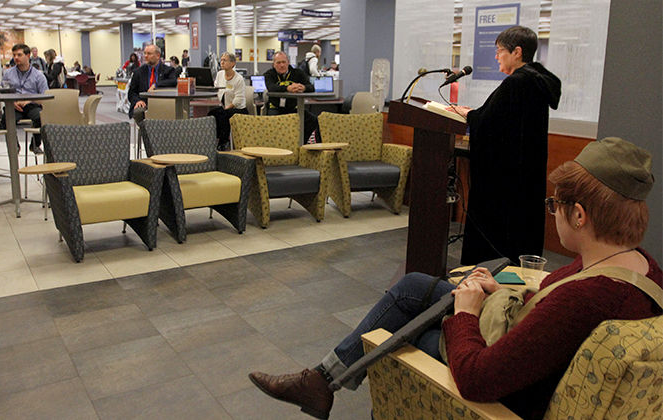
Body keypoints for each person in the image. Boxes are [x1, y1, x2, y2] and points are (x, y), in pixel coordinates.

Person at [248, 136, 661, 420]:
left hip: (509, 387)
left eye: (554, 204)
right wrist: (501, 292)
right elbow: (554, 316)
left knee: (396, 335)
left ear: (579, 215)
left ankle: (321, 383)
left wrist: (465, 313)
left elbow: (480, 378)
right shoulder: (639, 268)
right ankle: (319, 381)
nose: (551, 210)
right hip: (529, 351)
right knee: (414, 287)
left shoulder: (587, 299)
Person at [446, 26, 561, 265]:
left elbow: (488, 124)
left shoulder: (517, 83)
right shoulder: (537, 82)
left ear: (517, 52)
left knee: (496, 243)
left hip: (504, 183)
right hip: (525, 179)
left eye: (500, 51)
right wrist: (475, 114)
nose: (497, 56)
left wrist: (469, 115)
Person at [0, 44, 48, 154]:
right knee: (6, 119)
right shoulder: (8, 74)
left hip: (32, 105)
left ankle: (35, 144)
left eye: (19, 55)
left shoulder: (39, 76)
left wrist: (29, 101)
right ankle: (14, 147)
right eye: (14, 55)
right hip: (14, 106)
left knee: (41, 117)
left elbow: (44, 96)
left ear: (28, 55)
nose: (16, 57)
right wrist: (12, 102)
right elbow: (3, 92)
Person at [263, 51, 319, 143]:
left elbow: (311, 87)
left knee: (313, 121)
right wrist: (288, 88)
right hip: (276, 108)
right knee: (273, 125)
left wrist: (303, 87)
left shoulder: (298, 73)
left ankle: (301, 143)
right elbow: (271, 87)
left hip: (293, 108)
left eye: (284, 62)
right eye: (278, 62)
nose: (281, 65)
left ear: (288, 62)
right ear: (274, 64)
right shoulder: (269, 74)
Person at [207, 52, 248, 150]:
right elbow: (216, 89)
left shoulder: (239, 79)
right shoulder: (220, 75)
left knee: (223, 115)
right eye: (221, 60)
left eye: (224, 60)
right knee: (212, 113)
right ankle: (214, 139)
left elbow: (238, 99)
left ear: (233, 64)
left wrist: (226, 108)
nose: (222, 62)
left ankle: (224, 141)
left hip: (238, 109)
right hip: (224, 107)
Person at [127, 44, 177, 124]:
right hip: (144, 104)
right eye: (145, 53)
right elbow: (131, 93)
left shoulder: (168, 70)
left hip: (162, 103)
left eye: (149, 54)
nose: (145, 56)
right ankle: (146, 134)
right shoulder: (138, 72)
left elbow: (174, 81)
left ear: (158, 55)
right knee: (138, 112)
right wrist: (137, 101)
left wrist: (156, 85)